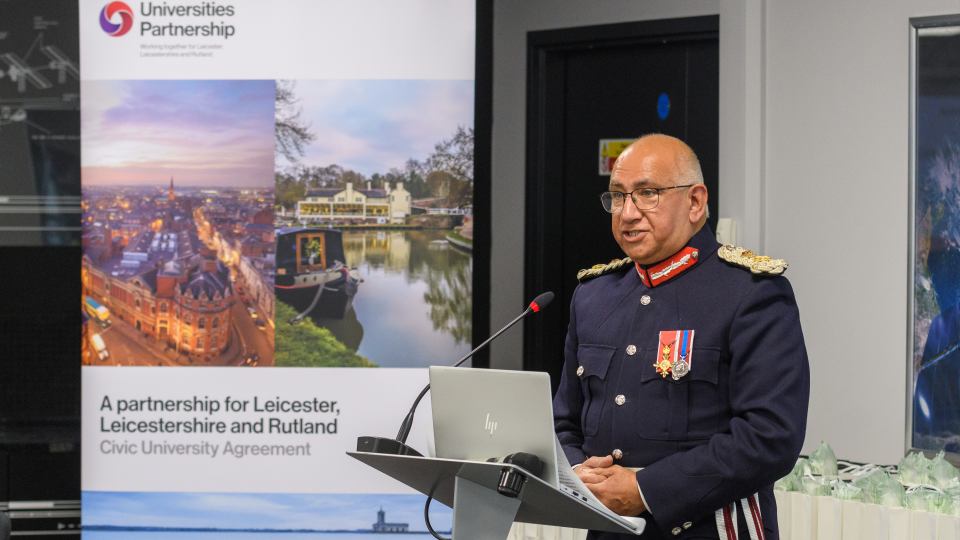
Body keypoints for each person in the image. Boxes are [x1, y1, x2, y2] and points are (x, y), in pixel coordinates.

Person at [553, 134, 809, 539]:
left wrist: (644, 489)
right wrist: (577, 474)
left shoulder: (750, 293)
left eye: (647, 193)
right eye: (618, 197)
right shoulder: (593, 296)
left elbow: (770, 436)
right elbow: (563, 422)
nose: (628, 213)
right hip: (608, 530)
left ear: (695, 202)